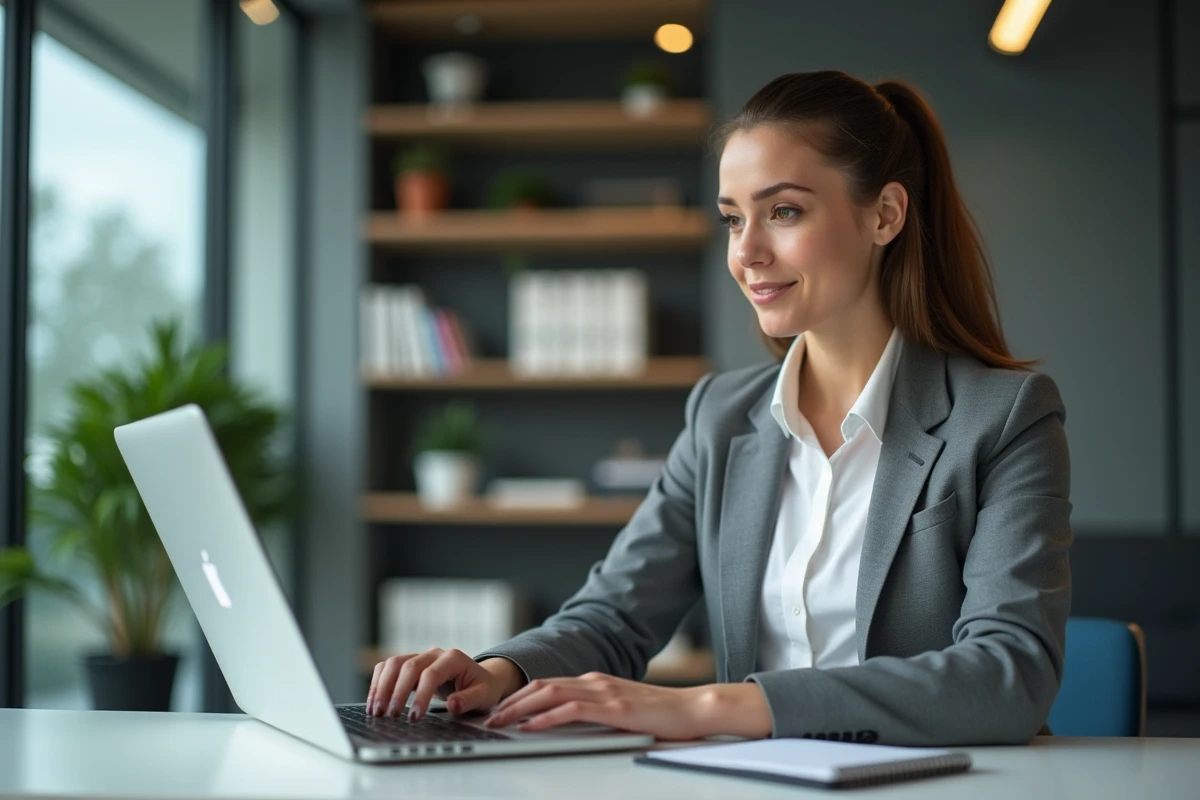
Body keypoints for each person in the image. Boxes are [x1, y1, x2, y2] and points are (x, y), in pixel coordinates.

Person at [365, 70, 1072, 746]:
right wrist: (497, 674)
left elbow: (1009, 674)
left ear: (884, 215)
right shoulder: (721, 416)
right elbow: (615, 615)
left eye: (784, 212)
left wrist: (712, 706)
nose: (748, 253)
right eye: (735, 220)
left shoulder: (1004, 417)